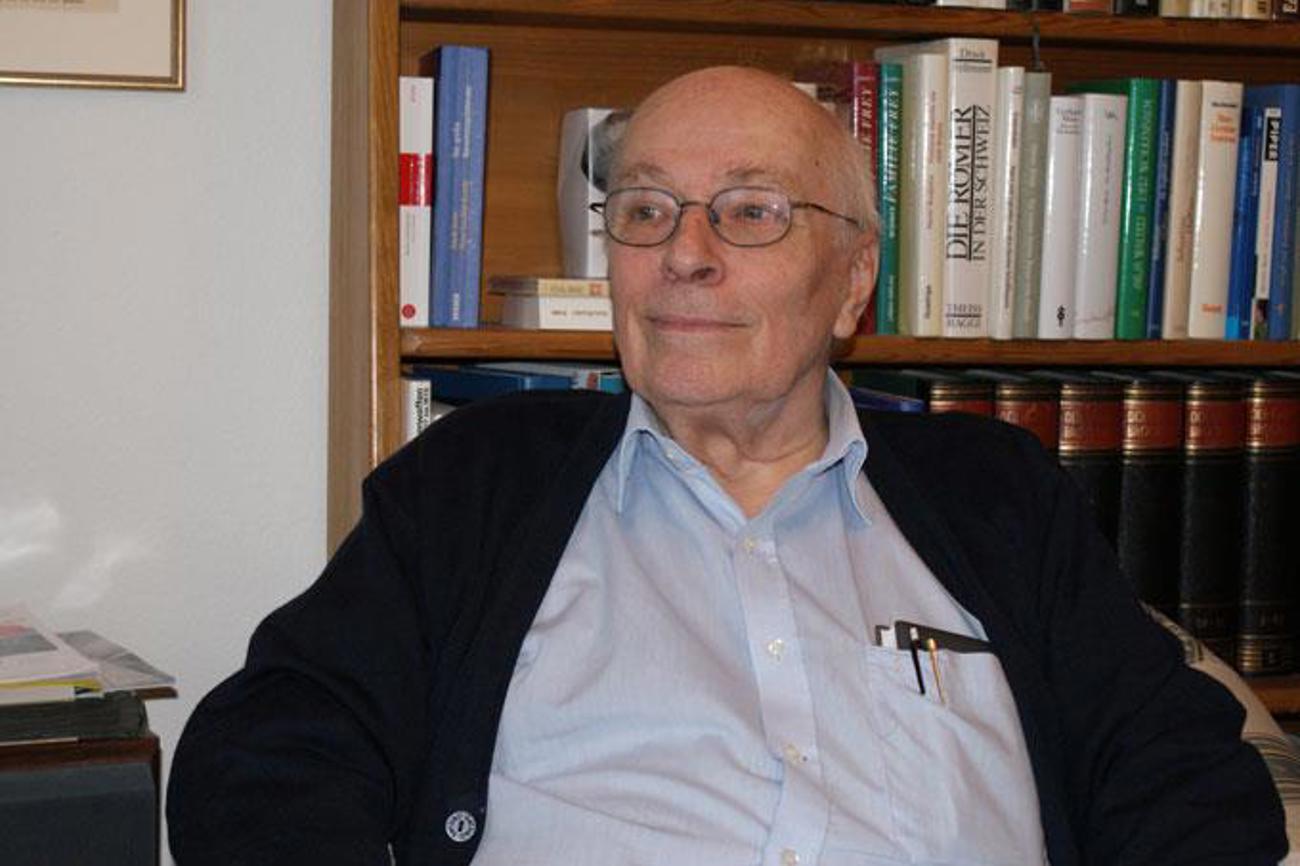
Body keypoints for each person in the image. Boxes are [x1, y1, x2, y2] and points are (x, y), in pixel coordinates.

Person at [167, 66, 1285, 865]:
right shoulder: (476, 485)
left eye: (751, 212)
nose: (684, 255)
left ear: (852, 280)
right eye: (646, 210)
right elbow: (269, 750)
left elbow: (1181, 773)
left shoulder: (997, 495)